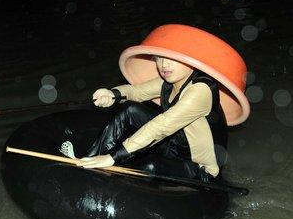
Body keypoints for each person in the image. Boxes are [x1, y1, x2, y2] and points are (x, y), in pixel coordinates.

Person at [60, 24, 250, 181]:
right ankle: (88, 160)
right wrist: (112, 94)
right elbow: (136, 91)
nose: (163, 65)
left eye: (171, 59)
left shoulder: (201, 90)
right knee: (129, 109)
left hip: (198, 165)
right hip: (175, 145)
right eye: (159, 58)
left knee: (149, 166)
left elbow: (162, 126)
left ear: (191, 62)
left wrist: (114, 157)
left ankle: (114, 172)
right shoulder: (169, 81)